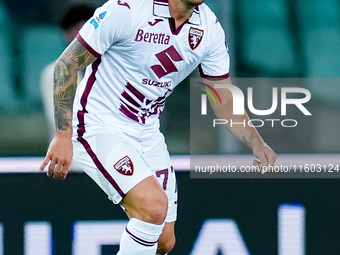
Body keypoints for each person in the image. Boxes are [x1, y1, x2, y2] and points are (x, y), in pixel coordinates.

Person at [40, 0, 277, 254]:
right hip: (99, 125)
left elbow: (222, 97)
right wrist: (63, 134)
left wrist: (255, 140)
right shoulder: (127, 9)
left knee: (164, 241)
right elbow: (67, 64)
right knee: (153, 207)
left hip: (147, 132)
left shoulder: (210, 29)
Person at [40, 3, 96, 141]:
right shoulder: (52, 72)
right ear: (66, 34)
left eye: (88, 29)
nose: (84, 35)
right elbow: (59, 120)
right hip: (70, 154)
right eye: (78, 29)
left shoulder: (111, 69)